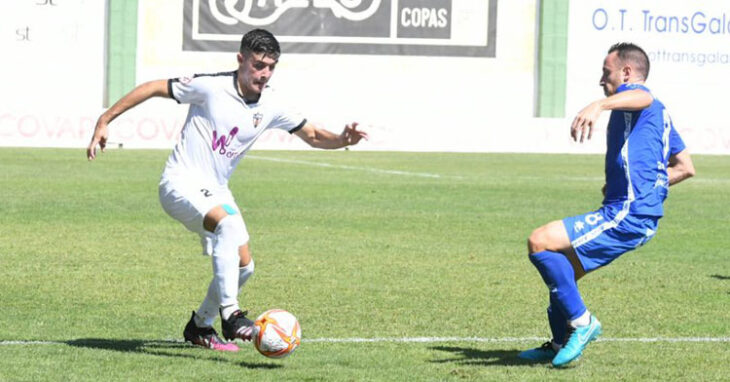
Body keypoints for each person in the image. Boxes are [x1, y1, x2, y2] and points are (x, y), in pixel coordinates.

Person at [86, 29, 368, 352]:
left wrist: (344, 140)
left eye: (271, 67)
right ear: (241, 59)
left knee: (244, 266)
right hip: (180, 182)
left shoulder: (272, 104)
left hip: (216, 190)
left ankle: (199, 326)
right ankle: (231, 315)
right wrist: (105, 119)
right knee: (228, 226)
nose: (263, 74)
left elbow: (314, 135)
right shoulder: (210, 88)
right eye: (258, 64)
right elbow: (153, 88)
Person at [518, 42, 695, 367]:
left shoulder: (640, 101)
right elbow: (685, 167)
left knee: (539, 241)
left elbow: (644, 95)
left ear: (626, 72)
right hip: (633, 212)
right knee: (562, 275)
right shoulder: (659, 117)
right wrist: (646, 182)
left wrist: (599, 105)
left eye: (606, 72)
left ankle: (583, 324)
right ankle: (559, 344)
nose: (602, 80)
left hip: (628, 213)